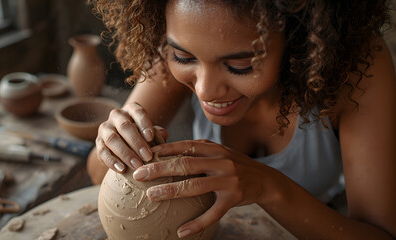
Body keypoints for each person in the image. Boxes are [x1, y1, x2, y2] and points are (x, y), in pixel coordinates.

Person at [89, 0, 396, 239]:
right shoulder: (184, 35)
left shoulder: (353, 68)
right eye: (184, 58)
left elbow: (380, 235)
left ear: (298, 42)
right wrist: (115, 143)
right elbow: (96, 173)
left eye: (239, 65)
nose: (204, 90)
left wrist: (267, 187)